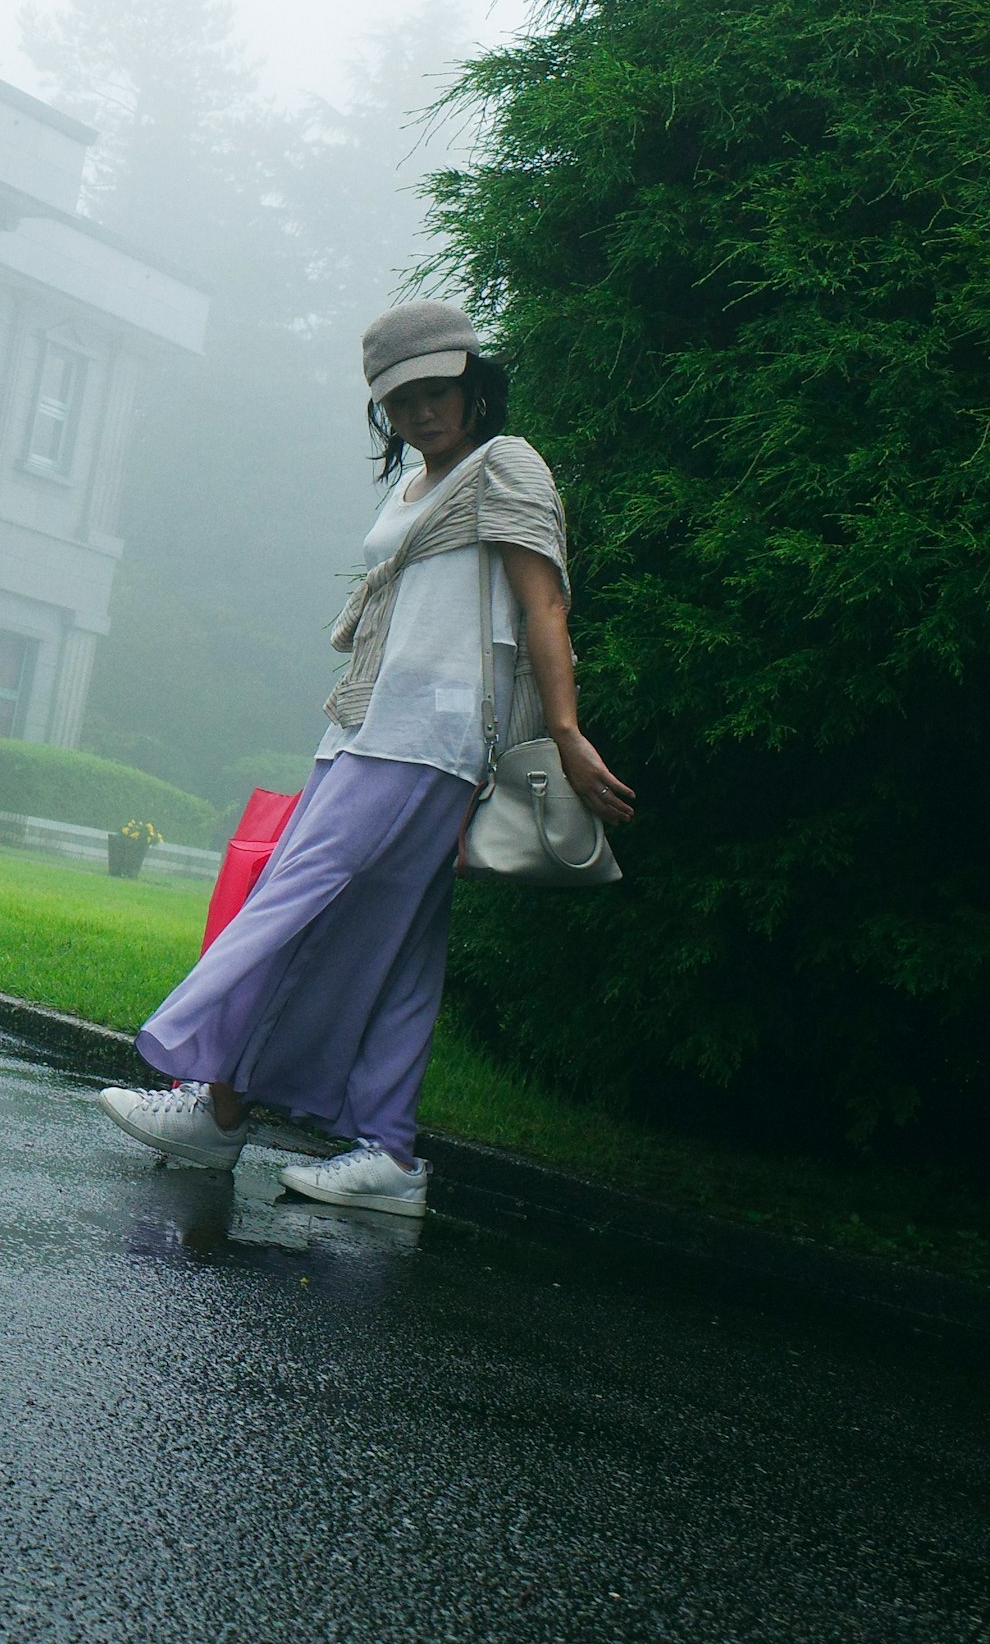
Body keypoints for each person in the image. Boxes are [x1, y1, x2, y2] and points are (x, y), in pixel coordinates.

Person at [94, 299, 631, 1215]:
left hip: (430, 738)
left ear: (473, 383)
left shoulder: (508, 464)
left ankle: (215, 1098)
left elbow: (544, 607)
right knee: (404, 944)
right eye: (401, 400)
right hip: (366, 727)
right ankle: (387, 1153)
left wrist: (570, 733)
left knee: (296, 902)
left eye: (437, 391)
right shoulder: (416, 486)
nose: (422, 412)